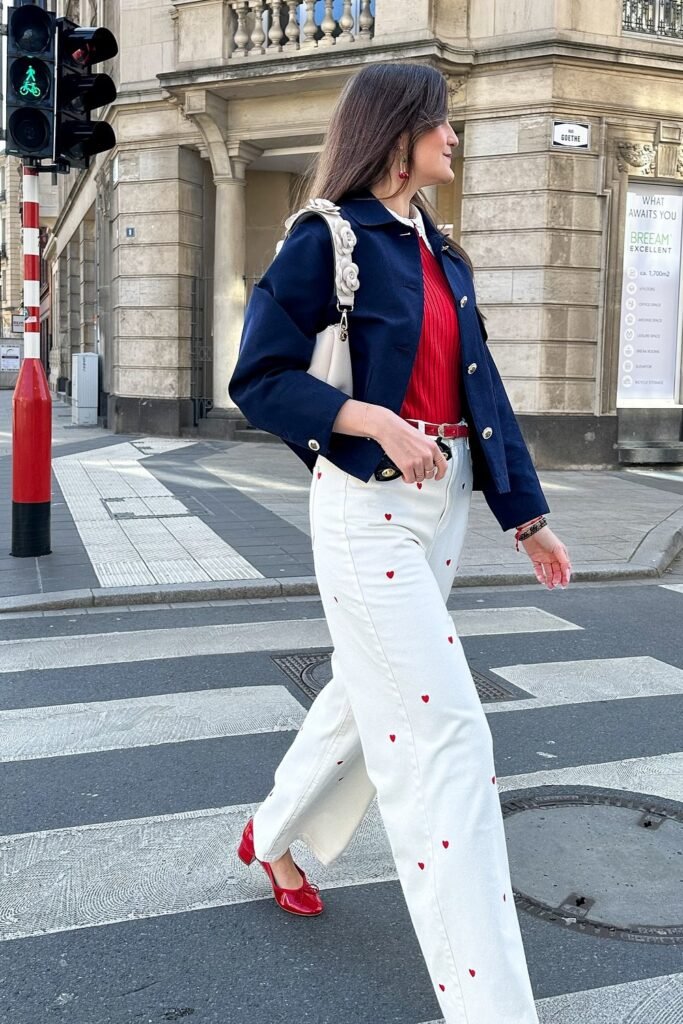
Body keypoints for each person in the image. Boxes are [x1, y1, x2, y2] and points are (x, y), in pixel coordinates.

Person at [228, 61, 571, 1024]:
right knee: (445, 737)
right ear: (397, 134)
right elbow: (257, 378)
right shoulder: (326, 239)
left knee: (361, 686)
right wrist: (371, 420)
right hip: (365, 508)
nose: (453, 139)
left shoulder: (442, 255)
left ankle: (270, 832)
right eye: (441, 126)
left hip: (448, 502)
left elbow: (482, 395)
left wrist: (526, 517)